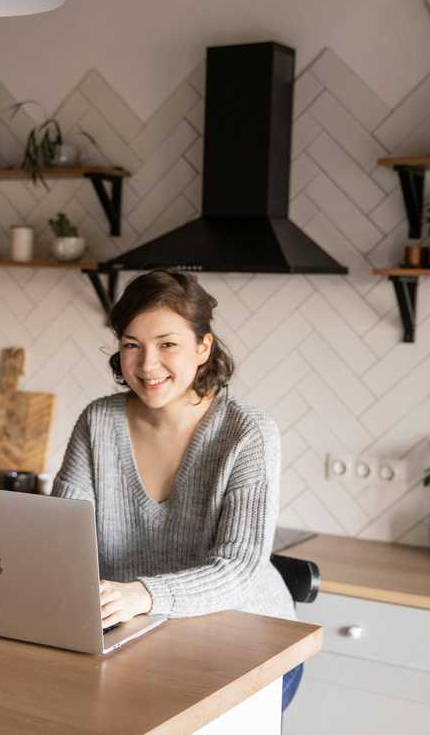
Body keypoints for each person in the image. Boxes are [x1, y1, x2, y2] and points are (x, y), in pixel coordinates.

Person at [52, 269, 302, 709]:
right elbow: (60, 537)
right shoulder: (98, 422)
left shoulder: (247, 433)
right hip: (134, 636)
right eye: (132, 345)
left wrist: (144, 594)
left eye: (167, 344)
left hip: (248, 644)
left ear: (203, 347)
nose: (147, 365)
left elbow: (239, 568)